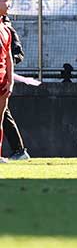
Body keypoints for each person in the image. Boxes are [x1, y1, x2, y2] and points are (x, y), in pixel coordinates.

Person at [1, 13, 29, 161]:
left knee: (4, 114)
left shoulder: (8, 30)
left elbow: (17, 53)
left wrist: (7, 66)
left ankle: (19, 149)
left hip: (3, 76)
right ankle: (18, 149)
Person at [0, 0, 14, 164]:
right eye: (6, 1)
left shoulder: (6, 29)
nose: (9, 5)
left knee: (0, 118)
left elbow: (9, 57)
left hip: (2, 79)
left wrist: (10, 82)